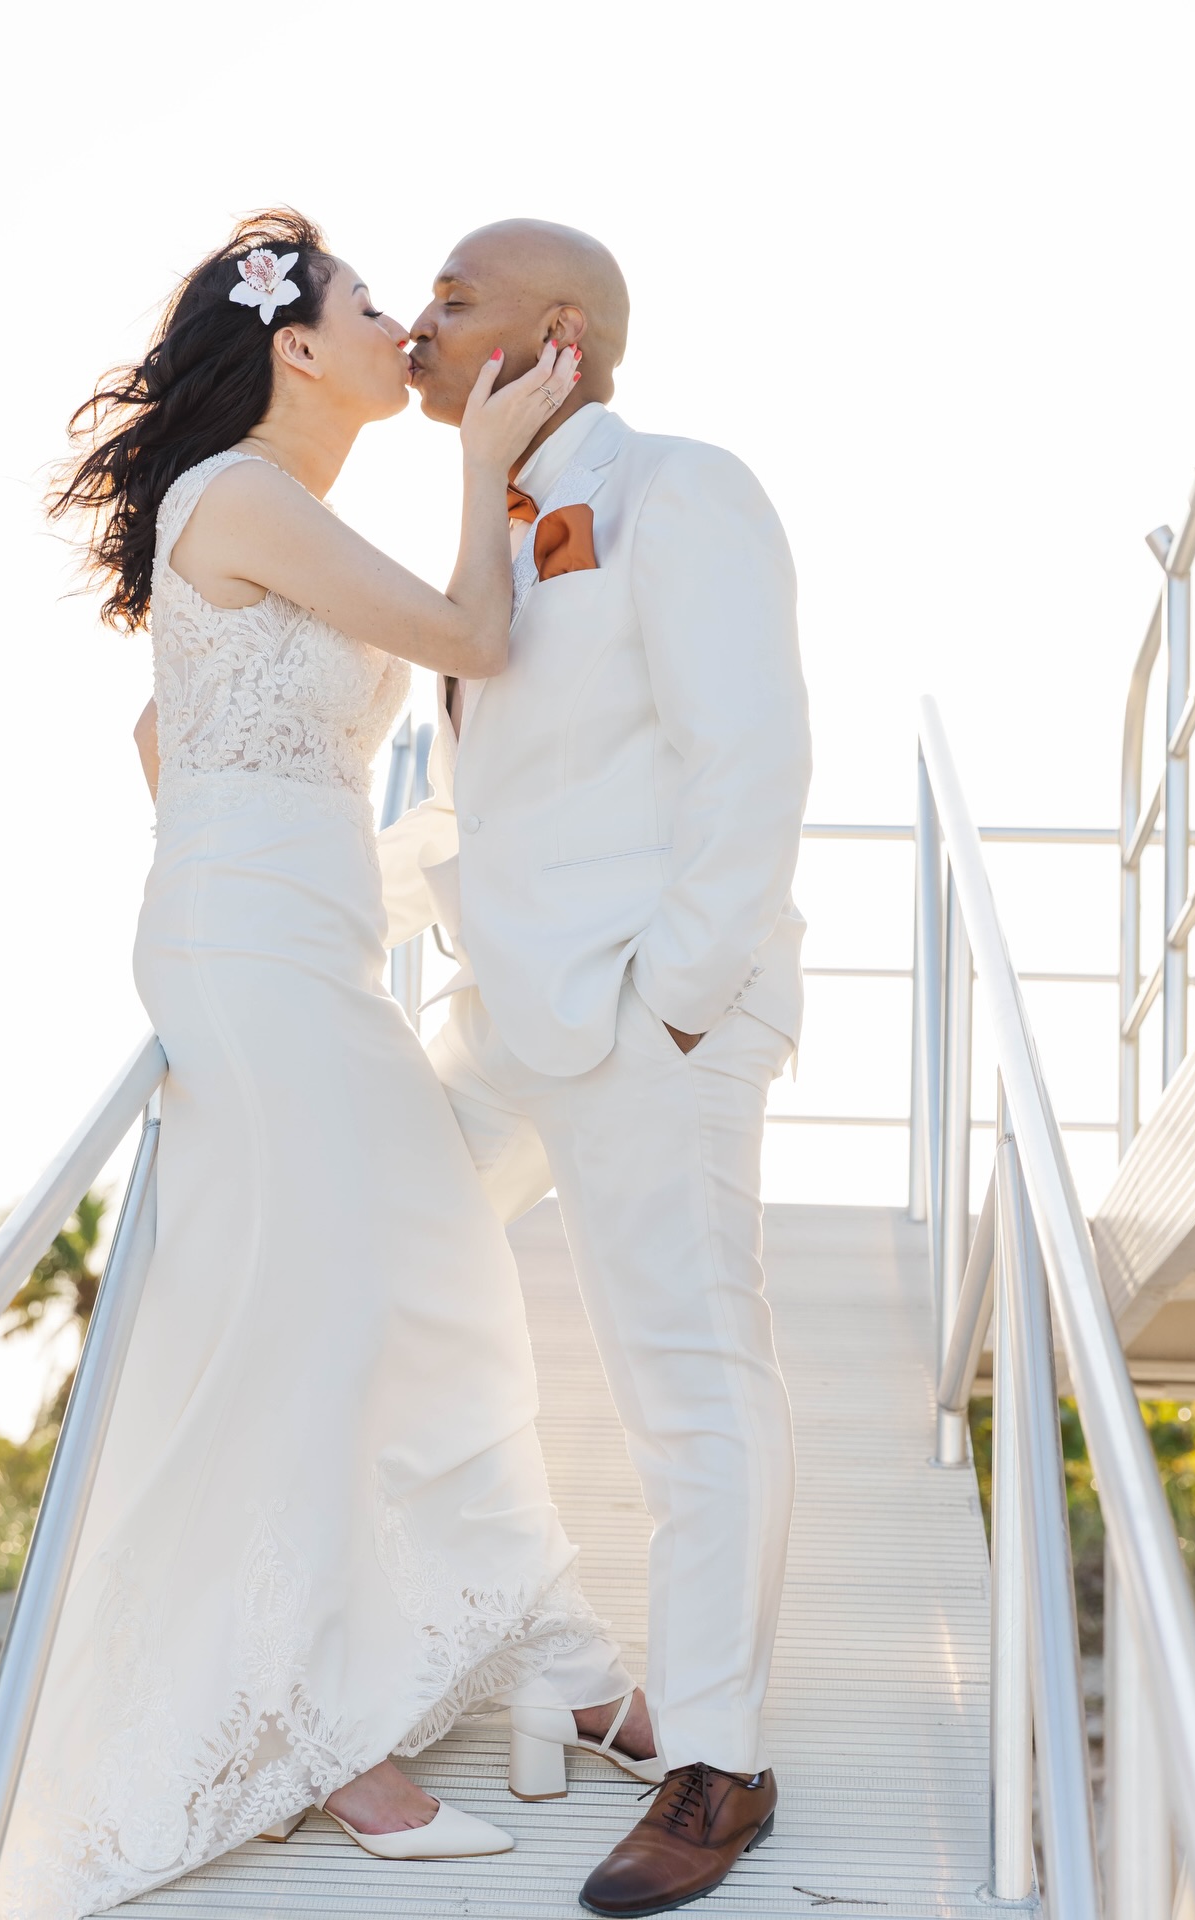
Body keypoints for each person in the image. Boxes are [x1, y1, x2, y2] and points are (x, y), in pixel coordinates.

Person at [0, 209, 654, 1920]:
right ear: (295, 344)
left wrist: (262, 836)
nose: (403, 334)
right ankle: (326, 1732)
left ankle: (548, 1657)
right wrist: (488, 464)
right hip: (254, 954)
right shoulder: (245, 492)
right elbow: (476, 639)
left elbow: (166, 726)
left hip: (288, 944)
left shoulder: (264, 517)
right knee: (358, 1296)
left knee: (410, 1280)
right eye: (376, 307)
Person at [378, 218, 811, 1916]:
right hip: (505, 1013)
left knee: (693, 1390)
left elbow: (752, 747)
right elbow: (493, 800)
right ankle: (527, 1640)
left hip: (646, 1014)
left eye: (453, 299)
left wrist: (683, 995)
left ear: (557, 332)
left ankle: (720, 1759)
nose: (418, 323)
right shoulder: (481, 524)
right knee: (362, 1258)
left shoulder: (682, 489)